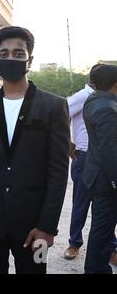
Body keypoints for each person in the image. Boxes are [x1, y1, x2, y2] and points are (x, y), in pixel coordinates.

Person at [0, 26, 70, 274]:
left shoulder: (54, 106)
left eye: (18, 53)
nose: (10, 58)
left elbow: (58, 172)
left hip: (36, 225)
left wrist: (48, 226)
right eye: (4, 53)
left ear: (29, 60)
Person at [64, 64, 117, 265]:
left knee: (102, 218)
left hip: (95, 160)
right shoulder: (91, 100)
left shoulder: (97, 99)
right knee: (82, 206)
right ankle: (75, 244)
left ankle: (109, 252)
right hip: (88, 161)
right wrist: (67, 141)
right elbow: (61, 111)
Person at [83, 64, 117, 274]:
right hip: (107, 181)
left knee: (102, 229)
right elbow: (111, 152)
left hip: (99, 177)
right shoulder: (107, 108)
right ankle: (96, 270)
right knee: (102, 230)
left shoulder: (94, 100)